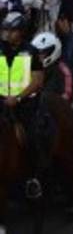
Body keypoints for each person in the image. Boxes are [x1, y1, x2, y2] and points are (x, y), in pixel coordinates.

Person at [1, 11, 49, 197]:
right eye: (4, 29)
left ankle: (33, 177)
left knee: (31, 136)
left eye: (11, 30)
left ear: (21, 32)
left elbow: (37, 80)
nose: (6, 34)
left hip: (24, 104)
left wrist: (18, 97)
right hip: (2, 101)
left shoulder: (31, 52)